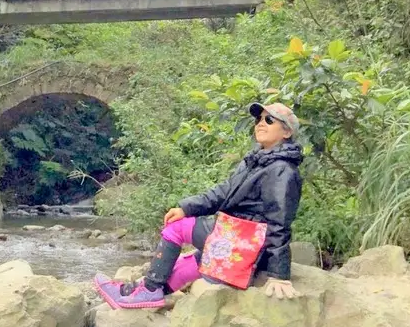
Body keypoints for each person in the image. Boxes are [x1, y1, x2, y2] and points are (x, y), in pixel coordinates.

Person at [95, 102, 303, 309]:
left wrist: (278, 274)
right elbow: (223, 192)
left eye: (269, 120)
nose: (260, 124)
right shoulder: (257, 160)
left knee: (176, 228)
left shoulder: (282, 170)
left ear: (286, 132)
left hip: (245, 243)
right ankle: (137, 293)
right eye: (258, 119)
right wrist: (187, 208)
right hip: (235, 238)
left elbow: (280, 222)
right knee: (193, 262)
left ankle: (149, 290)